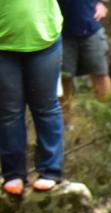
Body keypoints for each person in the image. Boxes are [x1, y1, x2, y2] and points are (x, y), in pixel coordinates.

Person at [0, 0, 65, 195]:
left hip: (44, 39)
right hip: (4, 44)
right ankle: (13, 174)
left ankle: (51, 170)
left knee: (46, 107)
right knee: (9, 111)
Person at [57, 0, 111, 125]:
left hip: (91, 28)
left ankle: (108, 122)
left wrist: (102, 4)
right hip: (61, 32)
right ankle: (66, 125)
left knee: (101, 74)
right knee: (64, 79)